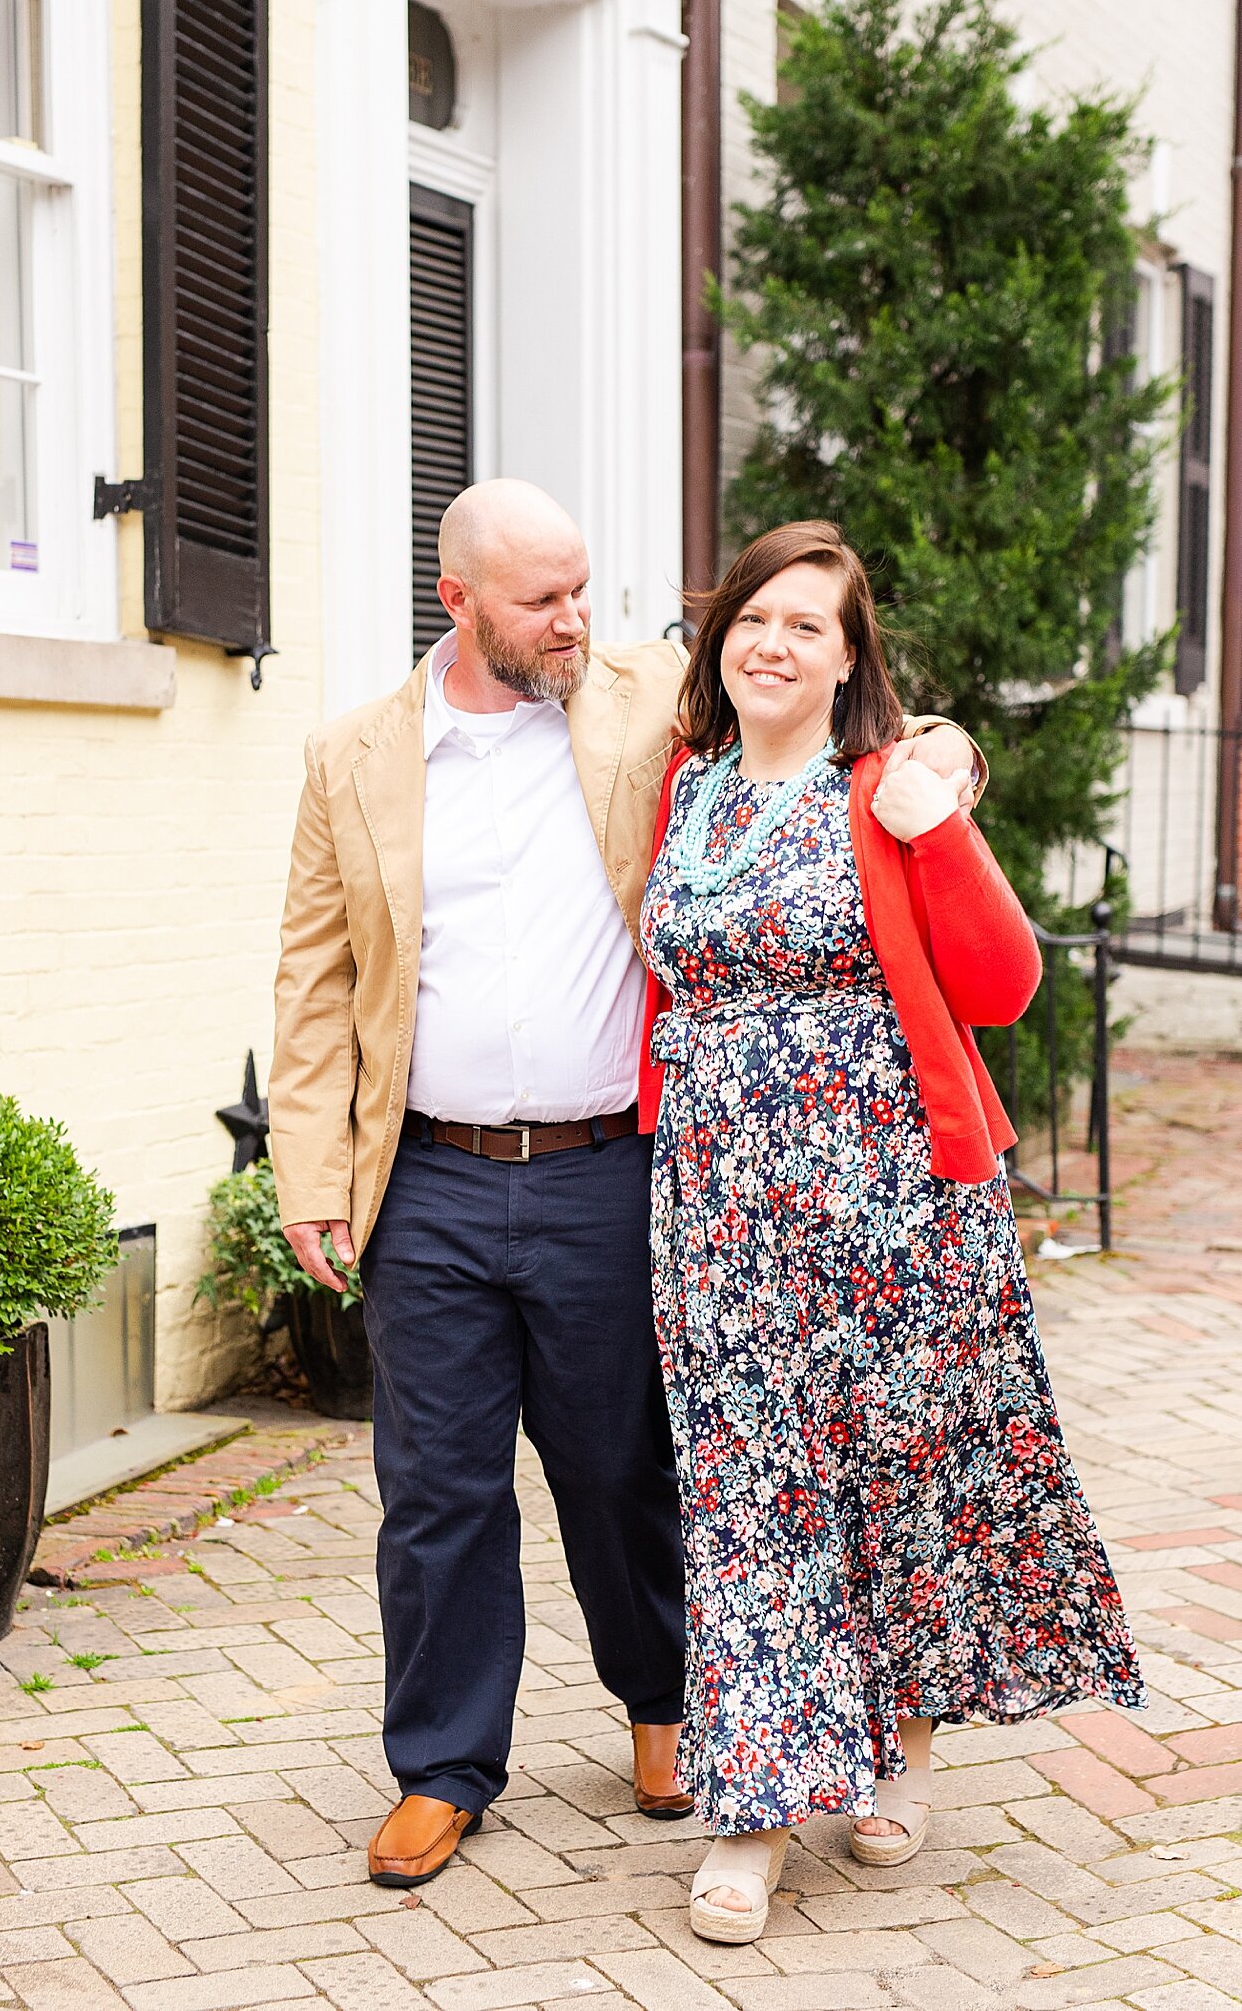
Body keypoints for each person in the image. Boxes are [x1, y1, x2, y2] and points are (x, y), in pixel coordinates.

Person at [269, 479, 977, 1888]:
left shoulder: (643, 693)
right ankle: (445, 1765)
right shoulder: (353, 754)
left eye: (585, 588)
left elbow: (835, 703)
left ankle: (665, 1705)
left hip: (608, 1167)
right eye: (545, 598)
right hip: (430, 1181)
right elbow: (315, 972)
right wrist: (310, 1168)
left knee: (620, 1466)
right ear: (457, 599)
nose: (576, 619)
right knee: (436, 1490)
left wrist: (945, 756)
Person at [637, 520, 1145, 1946]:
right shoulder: (686, 781)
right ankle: (754, 1806)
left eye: (810, 623)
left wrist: (944, 811)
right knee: (747, 1495)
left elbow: (1000, 984)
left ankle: (902, 1737)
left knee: (900, 1471)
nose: (774, 642)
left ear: (849, 655)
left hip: (894, 1196)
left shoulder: (887, 785)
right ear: (720, 631)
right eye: (755, 615)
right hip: (720, 1205)